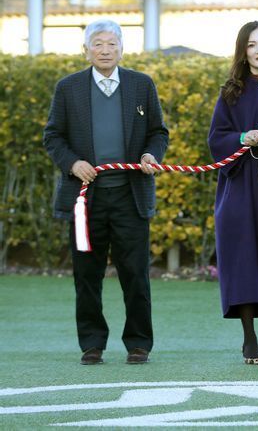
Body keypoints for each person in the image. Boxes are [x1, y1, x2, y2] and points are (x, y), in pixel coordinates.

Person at [43, 19, 169, 365]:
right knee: (87, 275)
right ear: (86, 50)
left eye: (111, 44)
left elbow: (158, 132)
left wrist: (151, 155)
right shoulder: (68, 88)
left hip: (131, 197)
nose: (105, 50)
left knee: (136, 274)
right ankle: (92, 343)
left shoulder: (141, 85)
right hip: (85, 200)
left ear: (122, 48)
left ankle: (139, 343)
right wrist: (73, 164)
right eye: (97, 44)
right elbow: (53, 136)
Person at [208, 21, 258, 365]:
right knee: (241, 260)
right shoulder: (231, 91)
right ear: (243, 51)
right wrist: (243, 138)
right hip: (239, 186)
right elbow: (216, 139)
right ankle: (249, 340)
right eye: (252, 44)